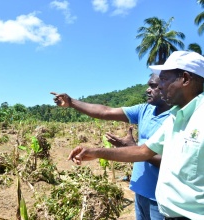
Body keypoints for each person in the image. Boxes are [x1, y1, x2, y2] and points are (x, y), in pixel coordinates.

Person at [67, 51, 204, 219]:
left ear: (185, 79)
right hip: (169, 213)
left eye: (165, 79)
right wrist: (95, 152)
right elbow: (143, 151)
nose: (160, 86)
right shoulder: (175, 117)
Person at [51, 73, 171, 220]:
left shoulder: (178, 117)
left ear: (166, 86)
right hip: (140, 191)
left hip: (161, 199)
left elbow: (172, 163)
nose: (147, 90)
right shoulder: (145, 109)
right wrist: (72, 102)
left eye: (153, 86)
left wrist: (135, 148)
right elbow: (105, 111)